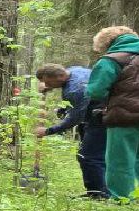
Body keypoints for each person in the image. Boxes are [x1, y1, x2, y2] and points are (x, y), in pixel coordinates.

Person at [85, 26, 139, 201]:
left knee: (120, 161)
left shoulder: (111, 60)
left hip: (124, 117)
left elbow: (96, 91)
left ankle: (122, 198)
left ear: (107, 43)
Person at [33, 63, 107, 199]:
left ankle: (98, 194)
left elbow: (75, 118)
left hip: (100, 118)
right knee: (98, 155)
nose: (47, 85)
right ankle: (101, 191)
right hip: (98, 114)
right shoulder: (74, 70)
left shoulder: (75, 89)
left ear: (60, 76)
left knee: (88, 156)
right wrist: (48, 87)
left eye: (48, 82)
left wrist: (48, 130)